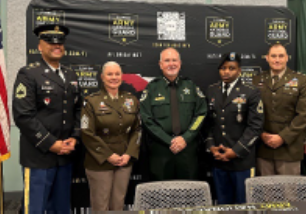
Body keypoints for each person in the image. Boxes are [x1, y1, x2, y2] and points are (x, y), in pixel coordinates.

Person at [12, 24, 81, 213]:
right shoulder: (28, 73)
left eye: (60, 41)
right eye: (50, 41)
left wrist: (74, 137)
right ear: (40, 46)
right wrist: (51, 143)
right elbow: (23, 116)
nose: (56, 45)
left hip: (65, 157)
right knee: (35, 208)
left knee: (61, 209)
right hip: (39, 157)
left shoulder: (70, 74)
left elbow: (78, 110)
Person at [81, 61, 141, 210]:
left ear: (122, 76)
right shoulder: (92, 101)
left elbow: (137, 130)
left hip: (124, 161)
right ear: (102, 77)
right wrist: (108, 155)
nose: (114, 77)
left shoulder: (131, 100)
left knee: (118, 204)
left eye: (117, 74)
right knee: (100, 205)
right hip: (100, 162)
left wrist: (129, 154)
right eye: (109, 74)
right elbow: (87, 132)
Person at [140, 47, 207, 181]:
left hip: (187, 149)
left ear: (180, 63)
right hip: (161, 150)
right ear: (160, 65)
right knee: (161, 192)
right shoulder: (152, 88)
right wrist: (168, 140)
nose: (171, 64)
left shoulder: (191, 86)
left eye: (174, 60)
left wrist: (186, 138)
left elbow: (201, 114)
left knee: (188, 191)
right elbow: (147, 119)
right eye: (167, 60)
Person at [205, 52, 263, 204]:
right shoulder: (212, 90)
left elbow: (255, 126)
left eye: (231, 68)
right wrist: (211, 147)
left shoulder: (251, 91)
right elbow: (209, 123)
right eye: (223, 68)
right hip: (219, 159)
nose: (227, 72)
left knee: (243, 204)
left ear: (239, 71)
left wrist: (235, 151)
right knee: (223, 204)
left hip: (241, 161)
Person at [252, 44, 306, 176]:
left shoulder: (301, 80)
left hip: (289, 149)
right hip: (263, 147)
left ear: (287, 58)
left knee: (288, 193)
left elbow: (303, 115)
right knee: (266, 193)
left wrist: (282, 137)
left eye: (280, 56)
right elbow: (252, 112)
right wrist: (261, 134)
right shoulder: (257, 80)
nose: (277, 60)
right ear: (267, 58)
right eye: (273, 56)